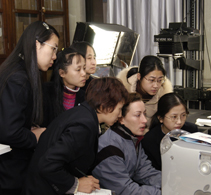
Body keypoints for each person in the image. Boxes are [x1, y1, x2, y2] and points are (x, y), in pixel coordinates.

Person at [22, 77, 129, 195]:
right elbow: (48, 163)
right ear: (105, 105)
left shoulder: (82, 114)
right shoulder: (84, 126)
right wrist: (76, 184)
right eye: (119, 109)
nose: (119, 115)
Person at [0, 21, 59, 195]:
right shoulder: (18, 78)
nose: (55, 56)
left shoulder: (18, 71)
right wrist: (34, 136)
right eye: (53, 48)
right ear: (37, 44)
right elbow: (8, 131)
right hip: (9, 170)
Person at [92, 93, 161, 195]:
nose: (145, 120)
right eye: (138, 115)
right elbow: (126, 191)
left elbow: (144, 171)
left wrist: (171, 183)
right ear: (121, 118)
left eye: (144, 114)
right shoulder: (110, 149)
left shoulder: (131, 138)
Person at [141, 92, 198, 171]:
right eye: (174, 117)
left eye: (183, 115)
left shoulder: (192, 131)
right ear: (160, 118)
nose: (179, 121)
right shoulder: (149, 140)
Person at [117, 55, 173, 133]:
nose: (156, 85)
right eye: (151, 80)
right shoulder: (123, 89)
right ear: (139, 76)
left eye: (160, 80)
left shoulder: (164, 95)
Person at [42, 47, 86, 127]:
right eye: (78, 69)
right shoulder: (45, 93)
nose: (84, 73)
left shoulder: (85, 96)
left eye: (84, 68)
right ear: (62, 73)